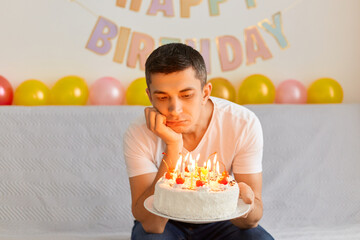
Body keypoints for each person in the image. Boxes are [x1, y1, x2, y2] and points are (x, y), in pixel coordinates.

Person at [123, 43, 274, 240]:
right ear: (149, 96)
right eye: (162, 97)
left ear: (205, 93)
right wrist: (173, 146)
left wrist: (243, 201)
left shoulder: (242, 123)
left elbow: (252, 220)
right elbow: (153, 225)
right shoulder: (138, 133)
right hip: (167, 222)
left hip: (222, 217)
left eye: (186, 95)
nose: (174, 109)